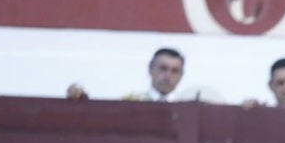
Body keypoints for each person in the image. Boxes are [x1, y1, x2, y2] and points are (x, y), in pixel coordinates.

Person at [67, 47, 221, 103]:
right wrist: (82, 101)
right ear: (150, 70)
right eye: (163, 68)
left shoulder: (190, 105)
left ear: (181, 76)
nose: (168, 75)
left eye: (175, 71)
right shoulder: (130, 102)